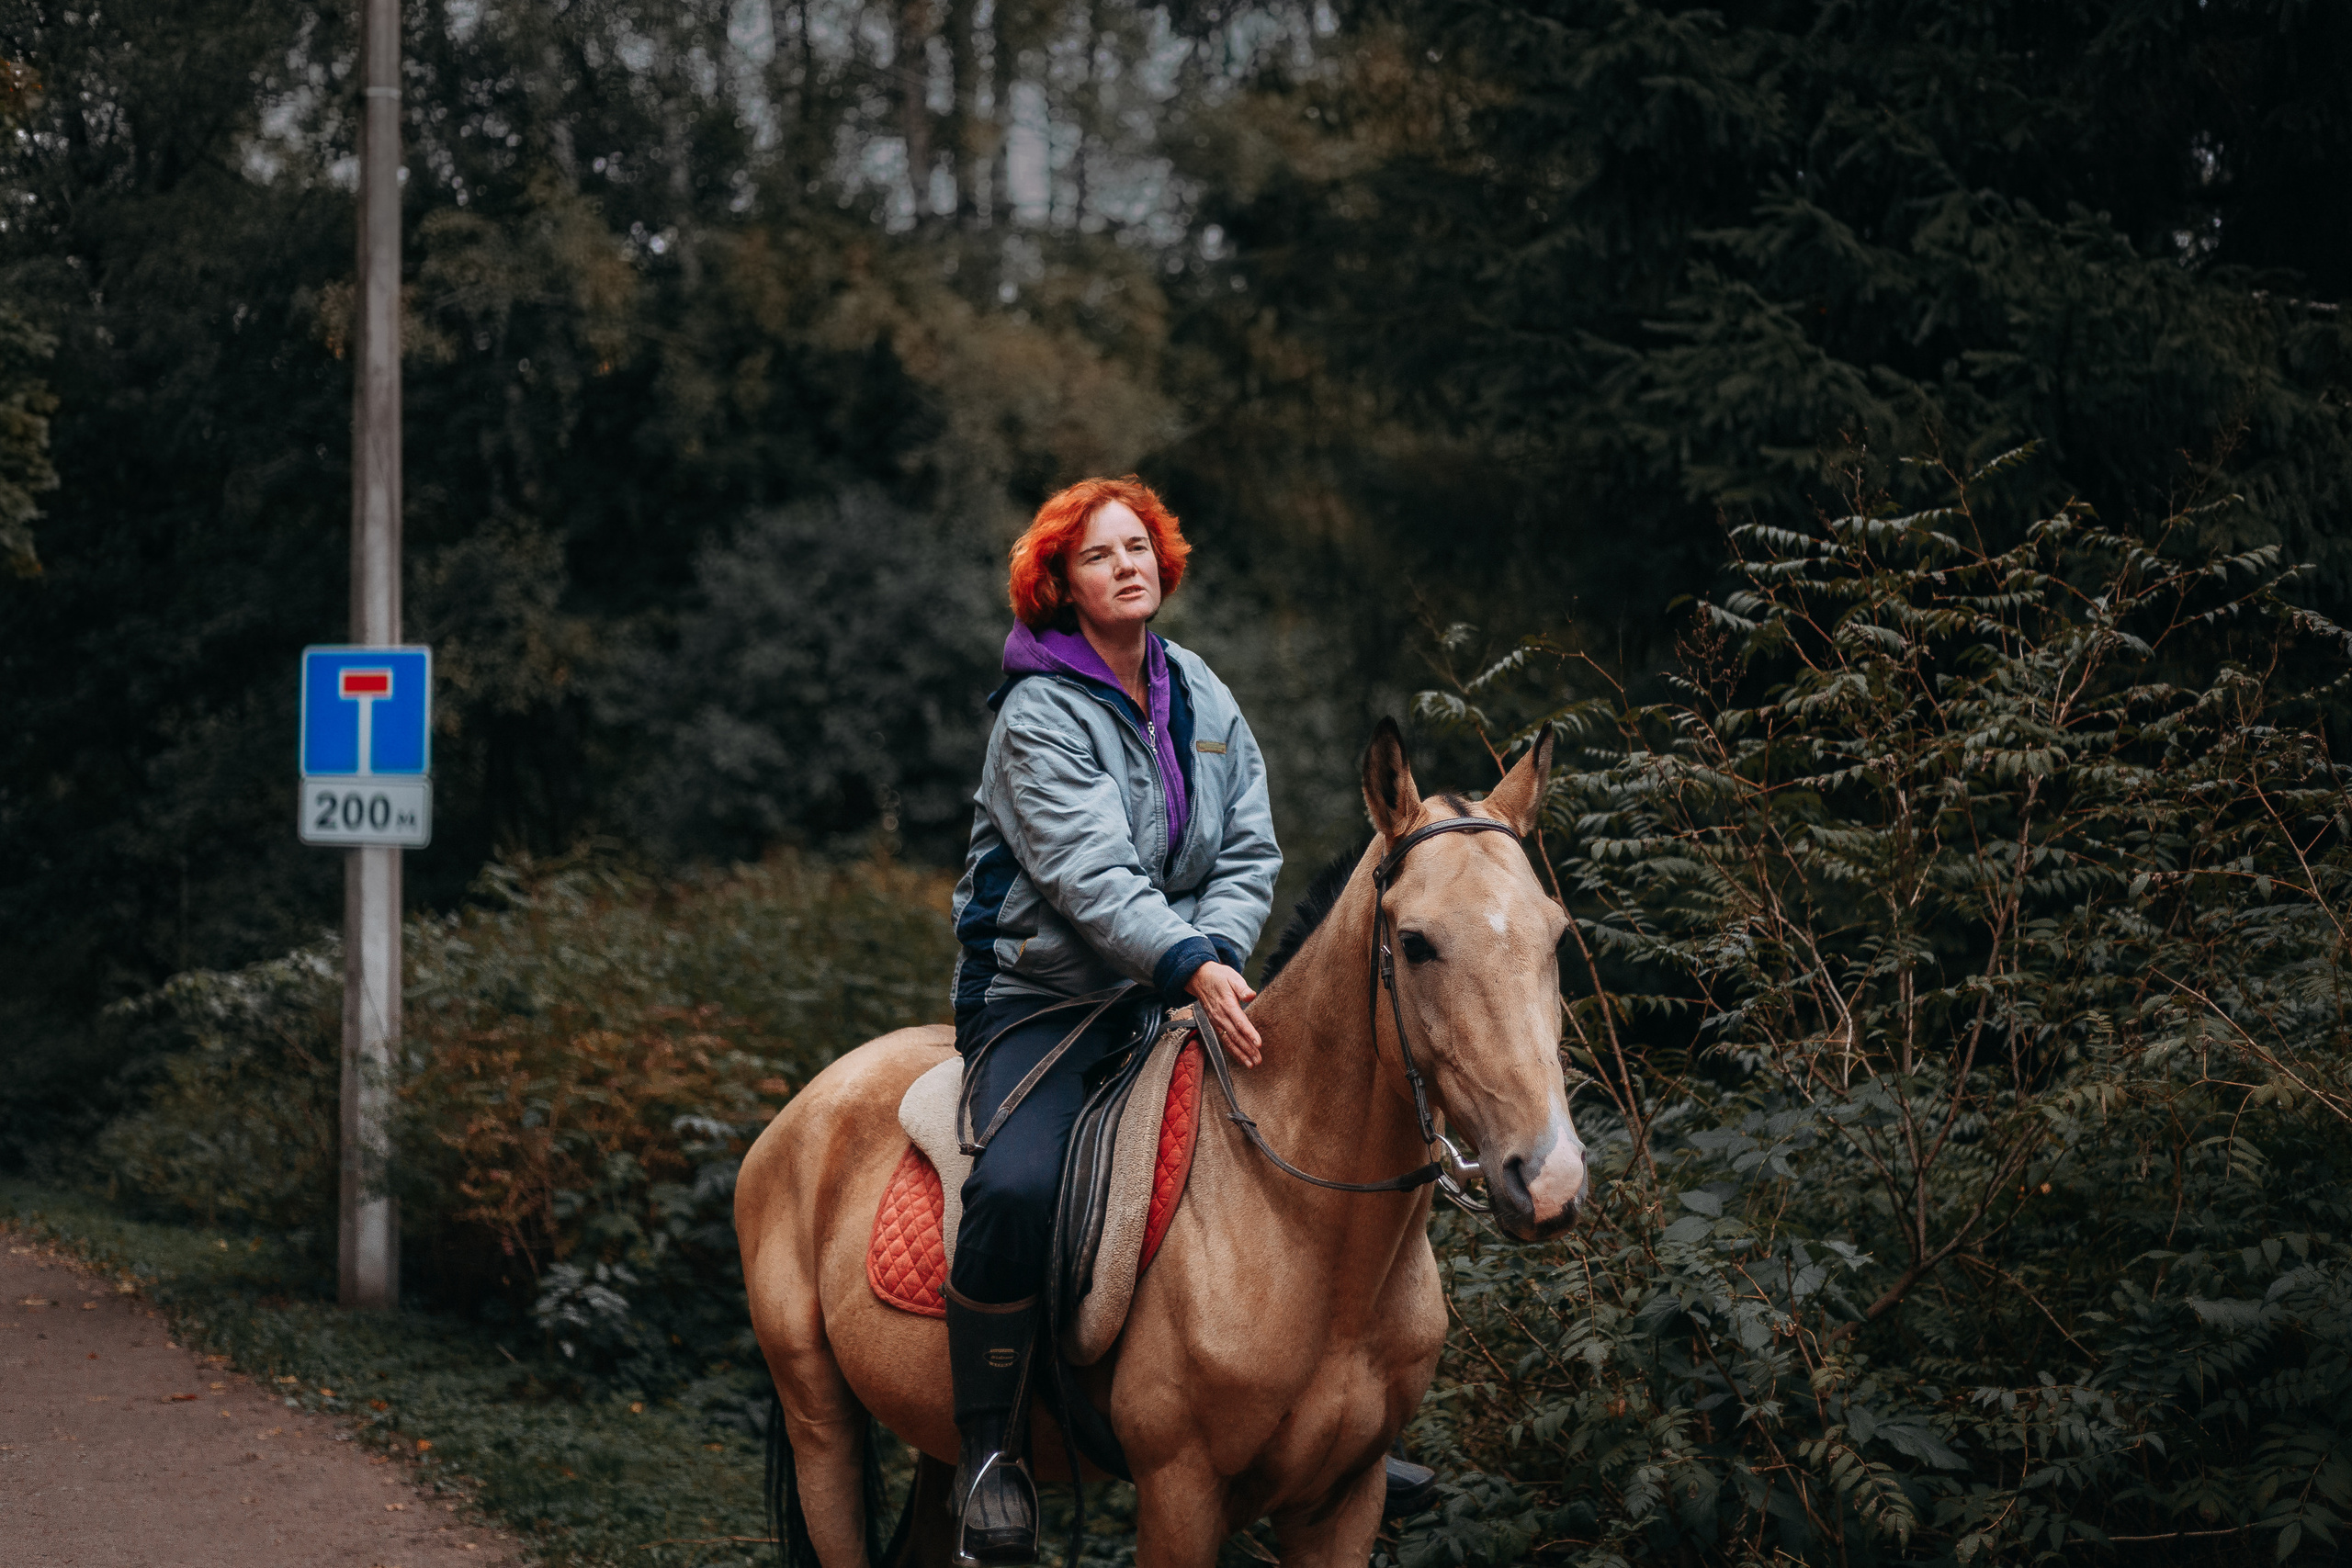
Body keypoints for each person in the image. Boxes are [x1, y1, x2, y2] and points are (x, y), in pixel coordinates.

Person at [943, 475, 1280, 1564]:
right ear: (1060, 584)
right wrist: (1187, 961)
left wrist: (1214, 957)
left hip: (1180, 987)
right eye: (1099, 555)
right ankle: (988, 1452)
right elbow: (1090, 878)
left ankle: (1317, 1416)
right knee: (1016, 1186)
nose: (1128, 564)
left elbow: (1249, 853)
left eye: (1140, 546)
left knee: (1289, 1151)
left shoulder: (1203, 694)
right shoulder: (1036, 714)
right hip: (1041, 998)